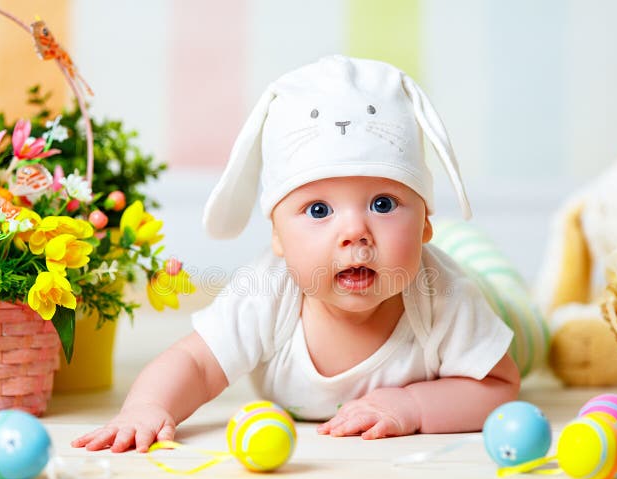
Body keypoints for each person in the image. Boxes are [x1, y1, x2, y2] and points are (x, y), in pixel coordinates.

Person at [73, 56, 520, 453]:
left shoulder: (443, 295)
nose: (355, 233)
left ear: (425, 222)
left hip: (489, 305)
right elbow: (196, 363)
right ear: (278, 237)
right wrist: (147, 407)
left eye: (383, 204)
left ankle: (485, 266)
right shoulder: (268, 292)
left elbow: (499, 384)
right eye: (319, 210)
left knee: (517, 315)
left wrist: (412, 404)